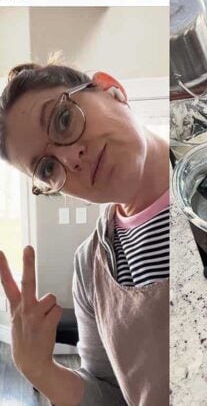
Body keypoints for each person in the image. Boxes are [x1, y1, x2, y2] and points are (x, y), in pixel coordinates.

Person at [0, 62, 169, 406]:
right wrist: (39, 369)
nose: (69, 158)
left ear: (111, 88)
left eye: (63, 120)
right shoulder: (90, 268)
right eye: (47, 168)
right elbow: (110, 393)